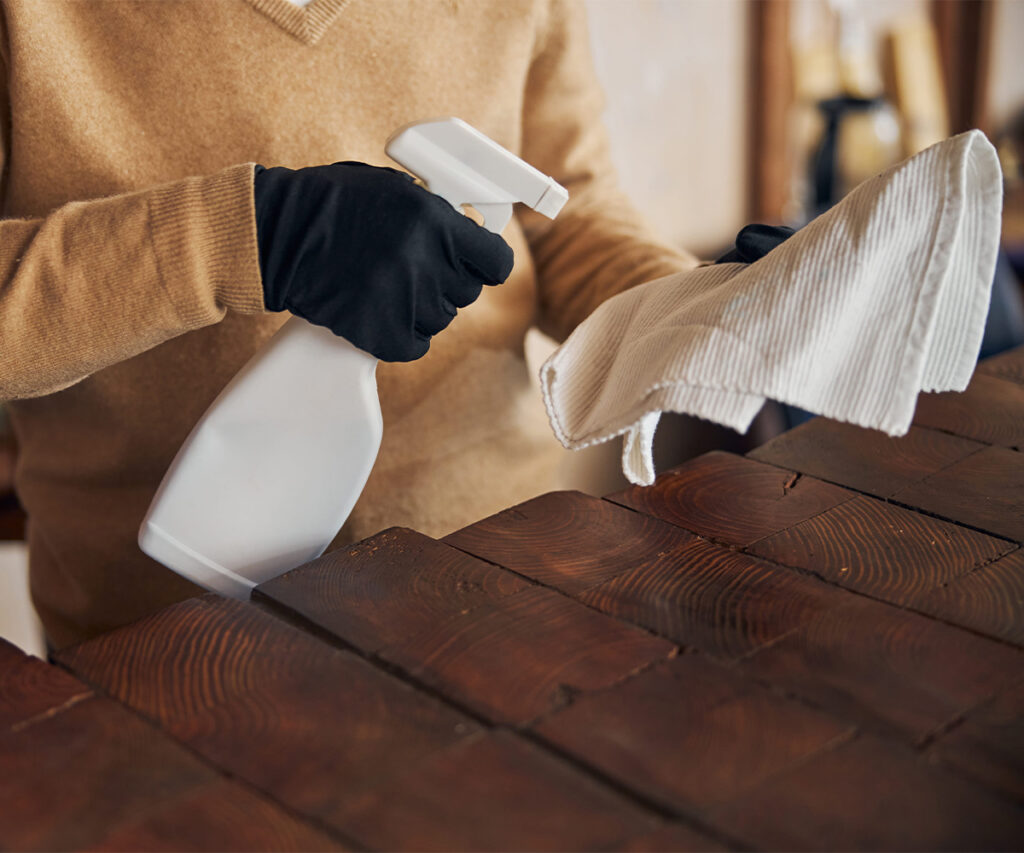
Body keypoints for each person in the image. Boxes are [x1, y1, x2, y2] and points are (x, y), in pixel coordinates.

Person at [0, 0, 696, 649]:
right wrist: (252, 236)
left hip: (499, 570)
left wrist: (703, 304)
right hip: (165, 633)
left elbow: (572, 215)